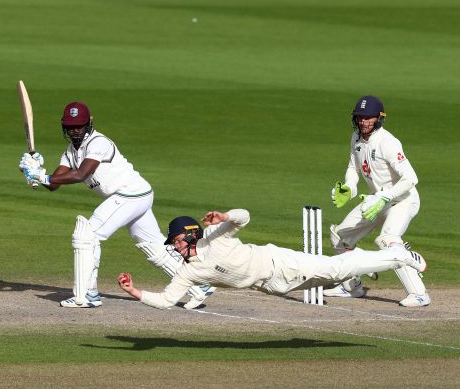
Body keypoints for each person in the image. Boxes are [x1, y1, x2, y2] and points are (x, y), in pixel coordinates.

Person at [19, 101, 214, 308]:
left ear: (89, 124)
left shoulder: (98, 143)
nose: (75, 130)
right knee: (153, 246)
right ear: (64, 127)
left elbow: (81, 174)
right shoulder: (70, 151)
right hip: (134, 196)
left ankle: (86, 295)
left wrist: (42, 176)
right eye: (70, 126)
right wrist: (36, 172)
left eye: (79, 125)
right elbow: (54, 184)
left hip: (130, 194)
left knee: (87, 235)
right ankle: (198, 284)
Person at [116, 209, 427, 309]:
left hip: (280, 263)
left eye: (176, 241)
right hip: (275, 286)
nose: (174, 247)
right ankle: (372, 259)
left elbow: (244, 217)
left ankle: (398, 256)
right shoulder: (188, 273)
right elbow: (168, 301)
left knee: (338, 268)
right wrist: (135, 291)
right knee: (337, 274)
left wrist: (224, 215)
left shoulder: (215, 236)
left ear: (189, 234)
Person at [327, 95, 430, 307]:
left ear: (379, 118)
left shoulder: (388, 143)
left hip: (402, 200)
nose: (364, 122)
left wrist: (386, 195)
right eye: (360, 117)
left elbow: (411, 178)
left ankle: (419, 294)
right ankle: (352, 286)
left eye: (369, 118)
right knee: (340, 236)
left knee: (387, 240)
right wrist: (350, 186)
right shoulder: (356, 138)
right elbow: (353, 167)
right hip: (376, 201)